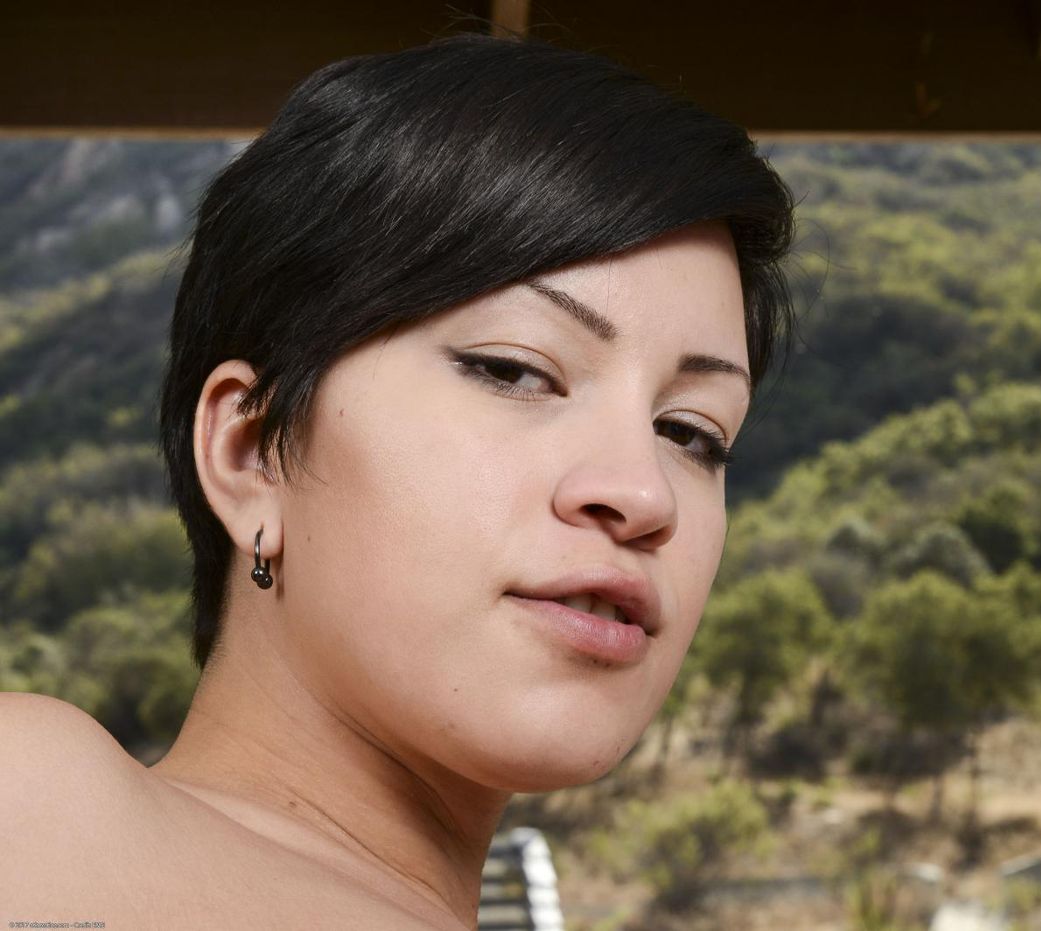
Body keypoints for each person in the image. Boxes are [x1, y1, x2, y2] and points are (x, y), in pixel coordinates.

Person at [0, 29, 796, 928]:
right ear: (252, 452)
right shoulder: (38, 814)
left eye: (692, 432)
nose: (644, 495)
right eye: (514, 370)